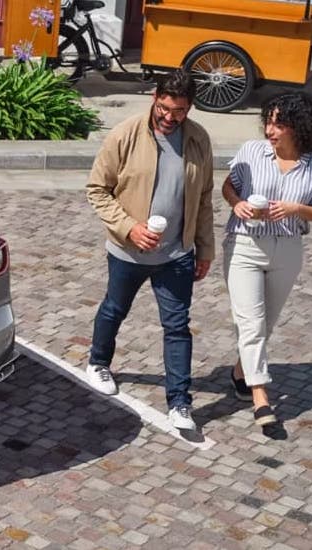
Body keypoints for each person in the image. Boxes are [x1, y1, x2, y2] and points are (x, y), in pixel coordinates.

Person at [83, 70, 215, 432]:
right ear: (155, 98)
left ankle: (180, 403)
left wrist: (204, 248)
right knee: (115, 308)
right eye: (165, 108)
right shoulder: (125, 134)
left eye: (180, 111)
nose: (170, 117)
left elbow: (204, 198)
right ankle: (98, 362)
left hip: (176, 255)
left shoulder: (198, 139)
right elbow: (97, 190)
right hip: (128, 252)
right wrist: (130, 228)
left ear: (189, 108)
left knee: (177, 326)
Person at [222, 91, 312, 429]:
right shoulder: (252, 152)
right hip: (245, 244)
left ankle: (241, 373)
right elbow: (229, 187)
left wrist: (295, 208)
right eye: (268, 122)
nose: (270, 130)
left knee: (266, 324)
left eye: (279, 124)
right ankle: (261, 398)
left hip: (287, 248)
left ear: (299, 126)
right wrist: (237, 204)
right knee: (251, 324)